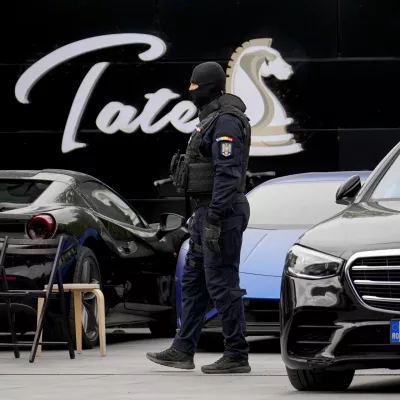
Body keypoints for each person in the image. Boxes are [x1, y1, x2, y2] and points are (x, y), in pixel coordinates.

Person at [146, 61, 251, 374]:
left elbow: (227, 173)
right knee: (193, 281)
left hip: (222, 212)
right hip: (204, 213)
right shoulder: (210, 119)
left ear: (208, 86)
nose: (190, 90)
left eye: (195, 85)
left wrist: (216, 218)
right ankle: (182, 349)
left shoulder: (227, 122)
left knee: (222, 283)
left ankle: (236, 354)